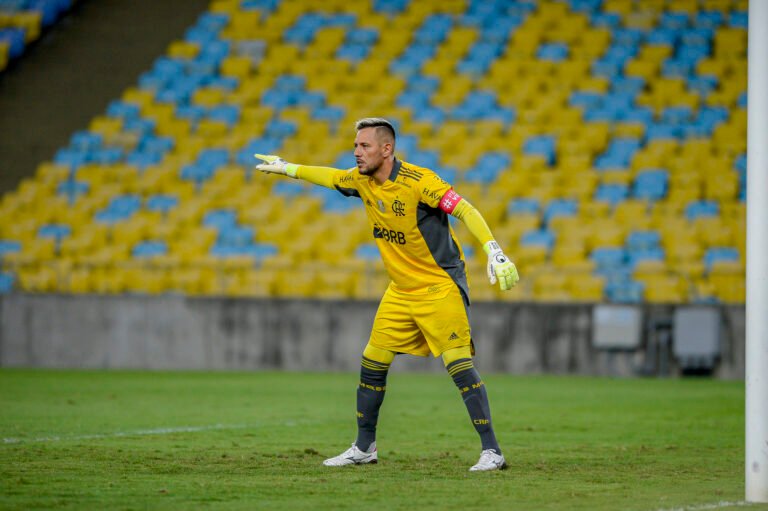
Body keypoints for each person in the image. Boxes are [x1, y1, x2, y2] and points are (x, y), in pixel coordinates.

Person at [254, 118, 519, 471]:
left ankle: (492, 452)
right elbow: (330, 176)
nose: (356, 152)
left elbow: (465, 209)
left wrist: (494, 249)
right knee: (372, 362)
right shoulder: (361, 181)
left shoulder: (420, 182)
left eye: (364, 146)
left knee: (458, 366)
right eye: (355, 145)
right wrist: (289, 168)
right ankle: (365, 447)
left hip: (438, 286)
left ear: (387, 149)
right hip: (400, 291)